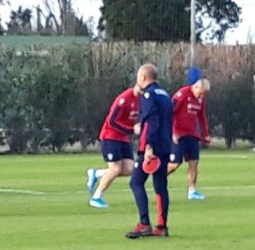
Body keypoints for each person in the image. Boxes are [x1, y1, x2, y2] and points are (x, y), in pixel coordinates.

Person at [127, 64, 173, 239]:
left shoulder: (148, 95)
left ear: (143, 77)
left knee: (136, 183)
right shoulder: (165, 94)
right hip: (165, 146)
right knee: (160, 185)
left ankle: (144, 223)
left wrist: (148, 147)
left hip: (152, 148)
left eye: (139, 77)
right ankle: (161, 226)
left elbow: (151, 122)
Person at [86, 86, 141, 209]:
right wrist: (131, 130)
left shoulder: (143, 100)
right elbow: (112, 121)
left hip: (123, 138)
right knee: (115, 169)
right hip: (110, 136)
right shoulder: (125, 98)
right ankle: (96, 197)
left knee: (130, 169)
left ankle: (97, 173)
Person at [167, 79, 211, 200]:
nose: (201, 96)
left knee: (194, 162)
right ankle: (159, 178)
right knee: (174, 164)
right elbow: (169, 112)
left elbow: (202, 116)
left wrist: (205, 134)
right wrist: (172, 132)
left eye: (203, 94)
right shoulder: (182, 94)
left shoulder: (201, 98)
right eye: (200, 93)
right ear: (195, 87)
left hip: (191, 134)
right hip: (179, 134)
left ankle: (192, 191)